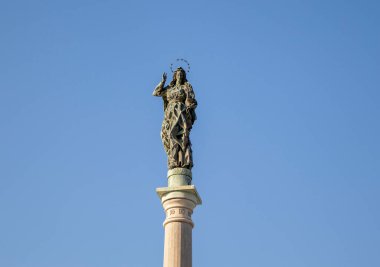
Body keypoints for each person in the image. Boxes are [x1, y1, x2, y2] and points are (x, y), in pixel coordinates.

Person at [153, 67, 197, 170]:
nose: (180, 76)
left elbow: (192, 100)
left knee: (178, 135)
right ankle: (172, 158)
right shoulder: (169, 88)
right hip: (169, 114)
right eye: (178, 74)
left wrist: (189, 107)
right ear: (175, 76)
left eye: (181, 74)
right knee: (165, 135)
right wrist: (162, 82)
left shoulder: (185, 87)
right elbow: (156, 93)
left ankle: (178, 160)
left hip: (180, 113)